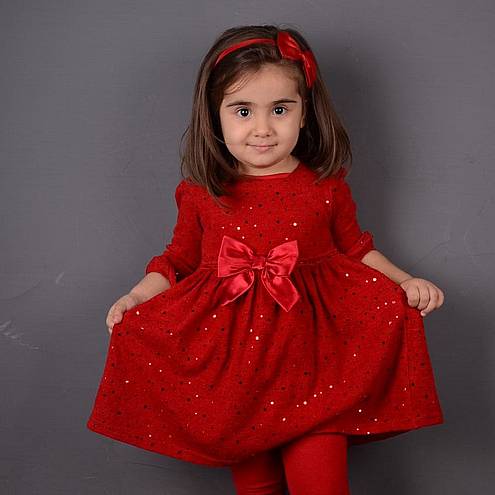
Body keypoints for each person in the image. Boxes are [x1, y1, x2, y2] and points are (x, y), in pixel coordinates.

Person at [86, 24, 445, 494]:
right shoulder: (201, 194)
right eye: (242, 110)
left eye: (280, 109)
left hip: (316, 369)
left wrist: (406, 281)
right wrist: (136, 297)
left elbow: (357, 249)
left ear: (304, 112)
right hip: (237, 378)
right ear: (214, 116)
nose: (262, 128)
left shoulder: (325, 188)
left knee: (322, 486)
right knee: (257, 487)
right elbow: (178, 262)